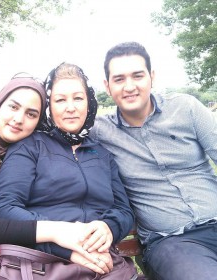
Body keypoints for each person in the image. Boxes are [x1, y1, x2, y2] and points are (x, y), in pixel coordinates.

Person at [0, 74, 106, 274]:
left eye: (31, 114)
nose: (19, 119)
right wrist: (55, 232)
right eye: (13, 107)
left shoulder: (20, 147)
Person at [0, 63, 137, 279]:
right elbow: (3, 206)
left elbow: (123, 209)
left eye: (78, 98)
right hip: (42, 262)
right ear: (49, 106)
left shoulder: (101, 153)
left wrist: (109, 227)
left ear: (89, 102)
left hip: (102, 263)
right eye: (60, 100)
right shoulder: (30, 146)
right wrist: (64, 246)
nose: (70, 107)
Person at [90, 41, 217, 280]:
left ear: (152, 77)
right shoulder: (100, 132)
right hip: (173, 242)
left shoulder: (185, 108)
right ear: (107, 86)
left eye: (138, 75)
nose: (129, 86)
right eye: (119, 79)